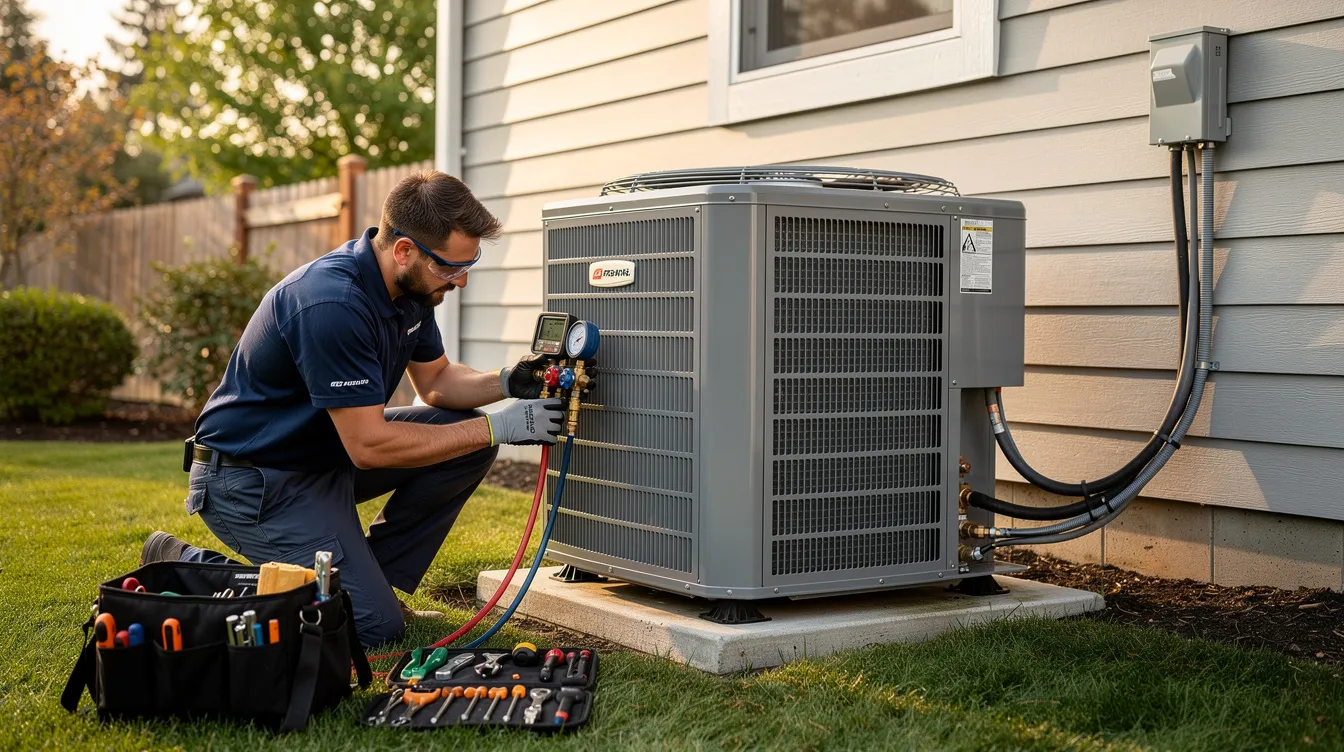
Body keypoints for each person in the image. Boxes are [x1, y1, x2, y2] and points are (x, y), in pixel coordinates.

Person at [142, 171, 573, 647]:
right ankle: (189, 563)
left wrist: (508, 381)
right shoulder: (332, 303)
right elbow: (369, 445)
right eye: (451, 268)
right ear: (405, 250)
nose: (462, 280)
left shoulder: (411, 289)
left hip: (321, 458)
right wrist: (498, 428)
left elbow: (435, 382)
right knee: (370, 626)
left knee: (462, 439)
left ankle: (373, 582)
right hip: (253, 481)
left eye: (468, 264)